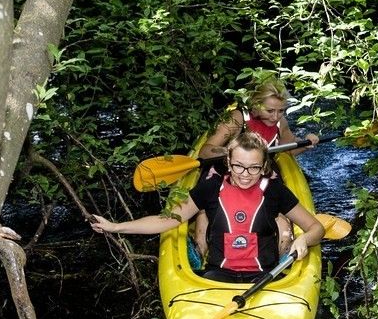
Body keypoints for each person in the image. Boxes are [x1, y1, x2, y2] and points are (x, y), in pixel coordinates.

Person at [90, 131, 324, 283]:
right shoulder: (210, 188)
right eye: (238, 166)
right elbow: (166, 220)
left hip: (265, 277)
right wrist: (116, 226)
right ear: (228, 163)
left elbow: (316, 228)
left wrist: (304, 239)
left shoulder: (274, 191)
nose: (245, 175)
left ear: (264, 166)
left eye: (253, 168)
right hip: (216, 277)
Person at [194, 76, 320, 258]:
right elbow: (205, 151)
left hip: (259, 171)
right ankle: (200, 250)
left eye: (281, 111)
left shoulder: (280, 123)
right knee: (206, 207)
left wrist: (305, 144)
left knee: (276, 207)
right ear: (256, 104)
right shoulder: (238, 118)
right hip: (228, 170)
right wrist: (232, 152)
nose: (276, 116)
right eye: (270, 110)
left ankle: (285, 252)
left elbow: (289, 152)